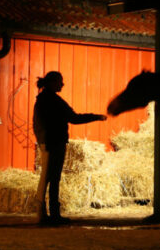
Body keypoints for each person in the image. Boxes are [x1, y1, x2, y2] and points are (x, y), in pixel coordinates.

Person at [33, 71, 106, 225]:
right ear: (53, 83)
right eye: (60, 81)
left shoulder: (41, 100)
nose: (62, 84)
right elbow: (74, 118)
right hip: (55, 143)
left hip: (46, 142)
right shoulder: (54, 101)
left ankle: (44, 214)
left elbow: (37, 124)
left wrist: (41, 140)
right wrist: (96, 117)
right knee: (53, 178)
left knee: (47, 177)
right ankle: (53, 215)